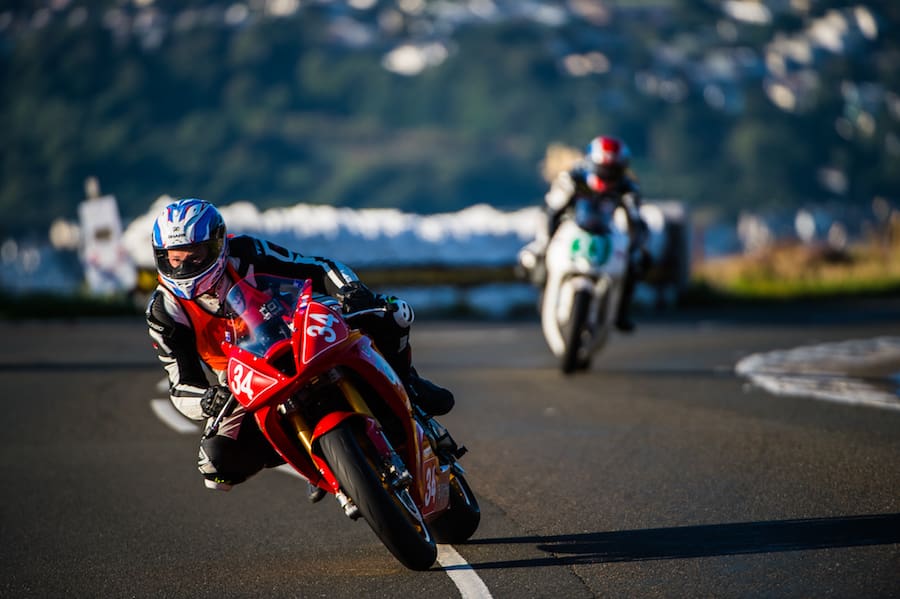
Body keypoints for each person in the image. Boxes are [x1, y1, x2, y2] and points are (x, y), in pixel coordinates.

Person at [146, 198, 454, 497]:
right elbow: (181, 384)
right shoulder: (164, 310)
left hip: (292, 328)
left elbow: (318, 268)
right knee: (216, 462)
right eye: (175, 258)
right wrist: (207, 400)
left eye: (195, 255)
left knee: (391, 313)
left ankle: (408, 383)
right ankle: (315, 460)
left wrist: (350, 290)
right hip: (241, 376)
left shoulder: (245, 251)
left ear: (218, 245)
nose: (184, 266)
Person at [523, 135, 649, 332]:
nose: (607, 175)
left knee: (636, 264)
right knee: (536, 256)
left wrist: (636, 248)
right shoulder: (573, 178)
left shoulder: (627, 188)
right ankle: (543, 294)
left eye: (613, 170)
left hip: (606, 231)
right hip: (572, 227)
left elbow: (636, 222)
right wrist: (545, 240)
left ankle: (621, 312)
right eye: (603, 169)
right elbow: (551, 210)